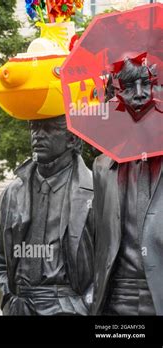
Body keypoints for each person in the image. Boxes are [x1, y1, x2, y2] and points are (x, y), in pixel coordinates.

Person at [0, 116, 94, 315]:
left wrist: (84, 308)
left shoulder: (95, 190)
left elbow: (107, 264)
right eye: (34, 127)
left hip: (69, 304)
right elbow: (0, 259)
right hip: (20, 305)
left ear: (72, 139)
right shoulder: (12, 192)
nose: (37, 135)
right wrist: (7, 299)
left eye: (49, 128)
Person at [92, 57, 163, 315]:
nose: (141, 94)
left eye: (147, 83)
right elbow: (97, 240)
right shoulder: (102, 168)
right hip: (115, 299)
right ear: (115, 94)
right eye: (130, 86)